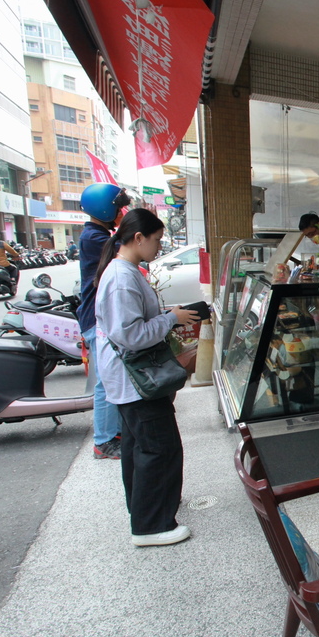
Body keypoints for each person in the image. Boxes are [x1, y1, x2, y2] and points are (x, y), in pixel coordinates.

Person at [94, 208, 200, 547]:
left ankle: (143, 507)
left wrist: (171, 316)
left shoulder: (126, 271)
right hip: (136, 380)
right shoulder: (122, 278)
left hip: (130, 378)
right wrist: (171, 319)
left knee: (140, 446)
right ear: (138, 238)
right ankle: (151, 526)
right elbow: (131, 335)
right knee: (159, 448)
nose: (158, 247)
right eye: (156, 240)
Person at [78, 182, 130, 459]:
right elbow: (131, 247)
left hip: (98, 317)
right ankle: (104, 440)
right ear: (105, 210)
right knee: (105, 382)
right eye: (119, 208)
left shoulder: (98, 234)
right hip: (94, 319)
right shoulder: (96, 239)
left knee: (111, 377)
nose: (123, 212)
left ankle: (115, 431)